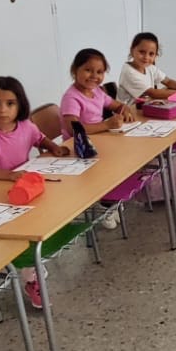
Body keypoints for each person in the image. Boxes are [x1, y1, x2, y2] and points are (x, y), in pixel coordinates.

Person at [0, 76, 73, 307]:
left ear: (20, 105)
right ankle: (31, 278)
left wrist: (53, 147)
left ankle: (31, 271)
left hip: (21, 190)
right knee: (26, 234)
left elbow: (39, 138)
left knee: (38, 223)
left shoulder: (26, 126)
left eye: (10, 103)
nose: (2, 110)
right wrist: (9, 175)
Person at [61, 47, 139, 229]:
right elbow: (74, 129)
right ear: (75, 70)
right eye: (88, 70)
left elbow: (116, 105)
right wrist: (106, 125)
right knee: (110, 167)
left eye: (100, 72)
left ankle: (112, 200)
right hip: (79, 149)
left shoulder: (96, 91)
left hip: (100, 140)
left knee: (125, 158)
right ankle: (104, 205)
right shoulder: (72, 98)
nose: (94, 76)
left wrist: (125, 110)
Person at [117, 32, 176, 104]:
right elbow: (153, 93)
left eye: (151, 54)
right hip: (128, 112)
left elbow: (168, 81)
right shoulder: (129, 72)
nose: (146, 57)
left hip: (144, 107)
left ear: (156, 55)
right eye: (142, 52)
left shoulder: (150, 68)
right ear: (132, 51)